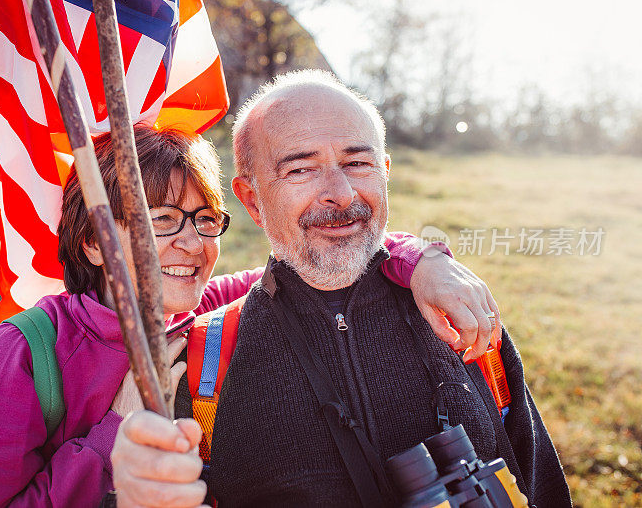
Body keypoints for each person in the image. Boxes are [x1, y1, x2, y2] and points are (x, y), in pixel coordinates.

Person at [0, 125, 501, 507]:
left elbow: (332, 263)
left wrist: (424, 261)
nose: (192, 244)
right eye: (161, 220)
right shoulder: (23, 356)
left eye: (205, 220)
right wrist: (114, 440)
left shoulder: (208, 309)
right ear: (94, 242)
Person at [112, 71, 571, 507]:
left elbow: (541, 485)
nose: (342, 193)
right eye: (301, 170)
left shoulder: (461, 317)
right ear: (252, 199)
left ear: (385, 171)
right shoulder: (203, 363)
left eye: (358, 163)